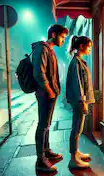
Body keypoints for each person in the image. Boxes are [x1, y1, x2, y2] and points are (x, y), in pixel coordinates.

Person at [32, 24, 69, 172]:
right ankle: (40, 160)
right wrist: (49, 90)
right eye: (62, 37)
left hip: (50, 93)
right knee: (42, 125)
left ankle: (46, 151)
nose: (63, 40)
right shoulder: (42, 48)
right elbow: (39, 73)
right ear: (54, 34)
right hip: (45, 94)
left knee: (46, 124)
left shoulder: (50, 50)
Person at [66, 36, 95, 169]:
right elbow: (77, 84)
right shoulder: (76, 63)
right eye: (88, 46)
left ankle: (76, 152)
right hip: (79, 100)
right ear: (82, 46)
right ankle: (73, 159)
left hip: (80, 100)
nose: (90, 49)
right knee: (77, 128)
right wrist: (83, 101)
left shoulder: (79, 61)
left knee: (78, 128)